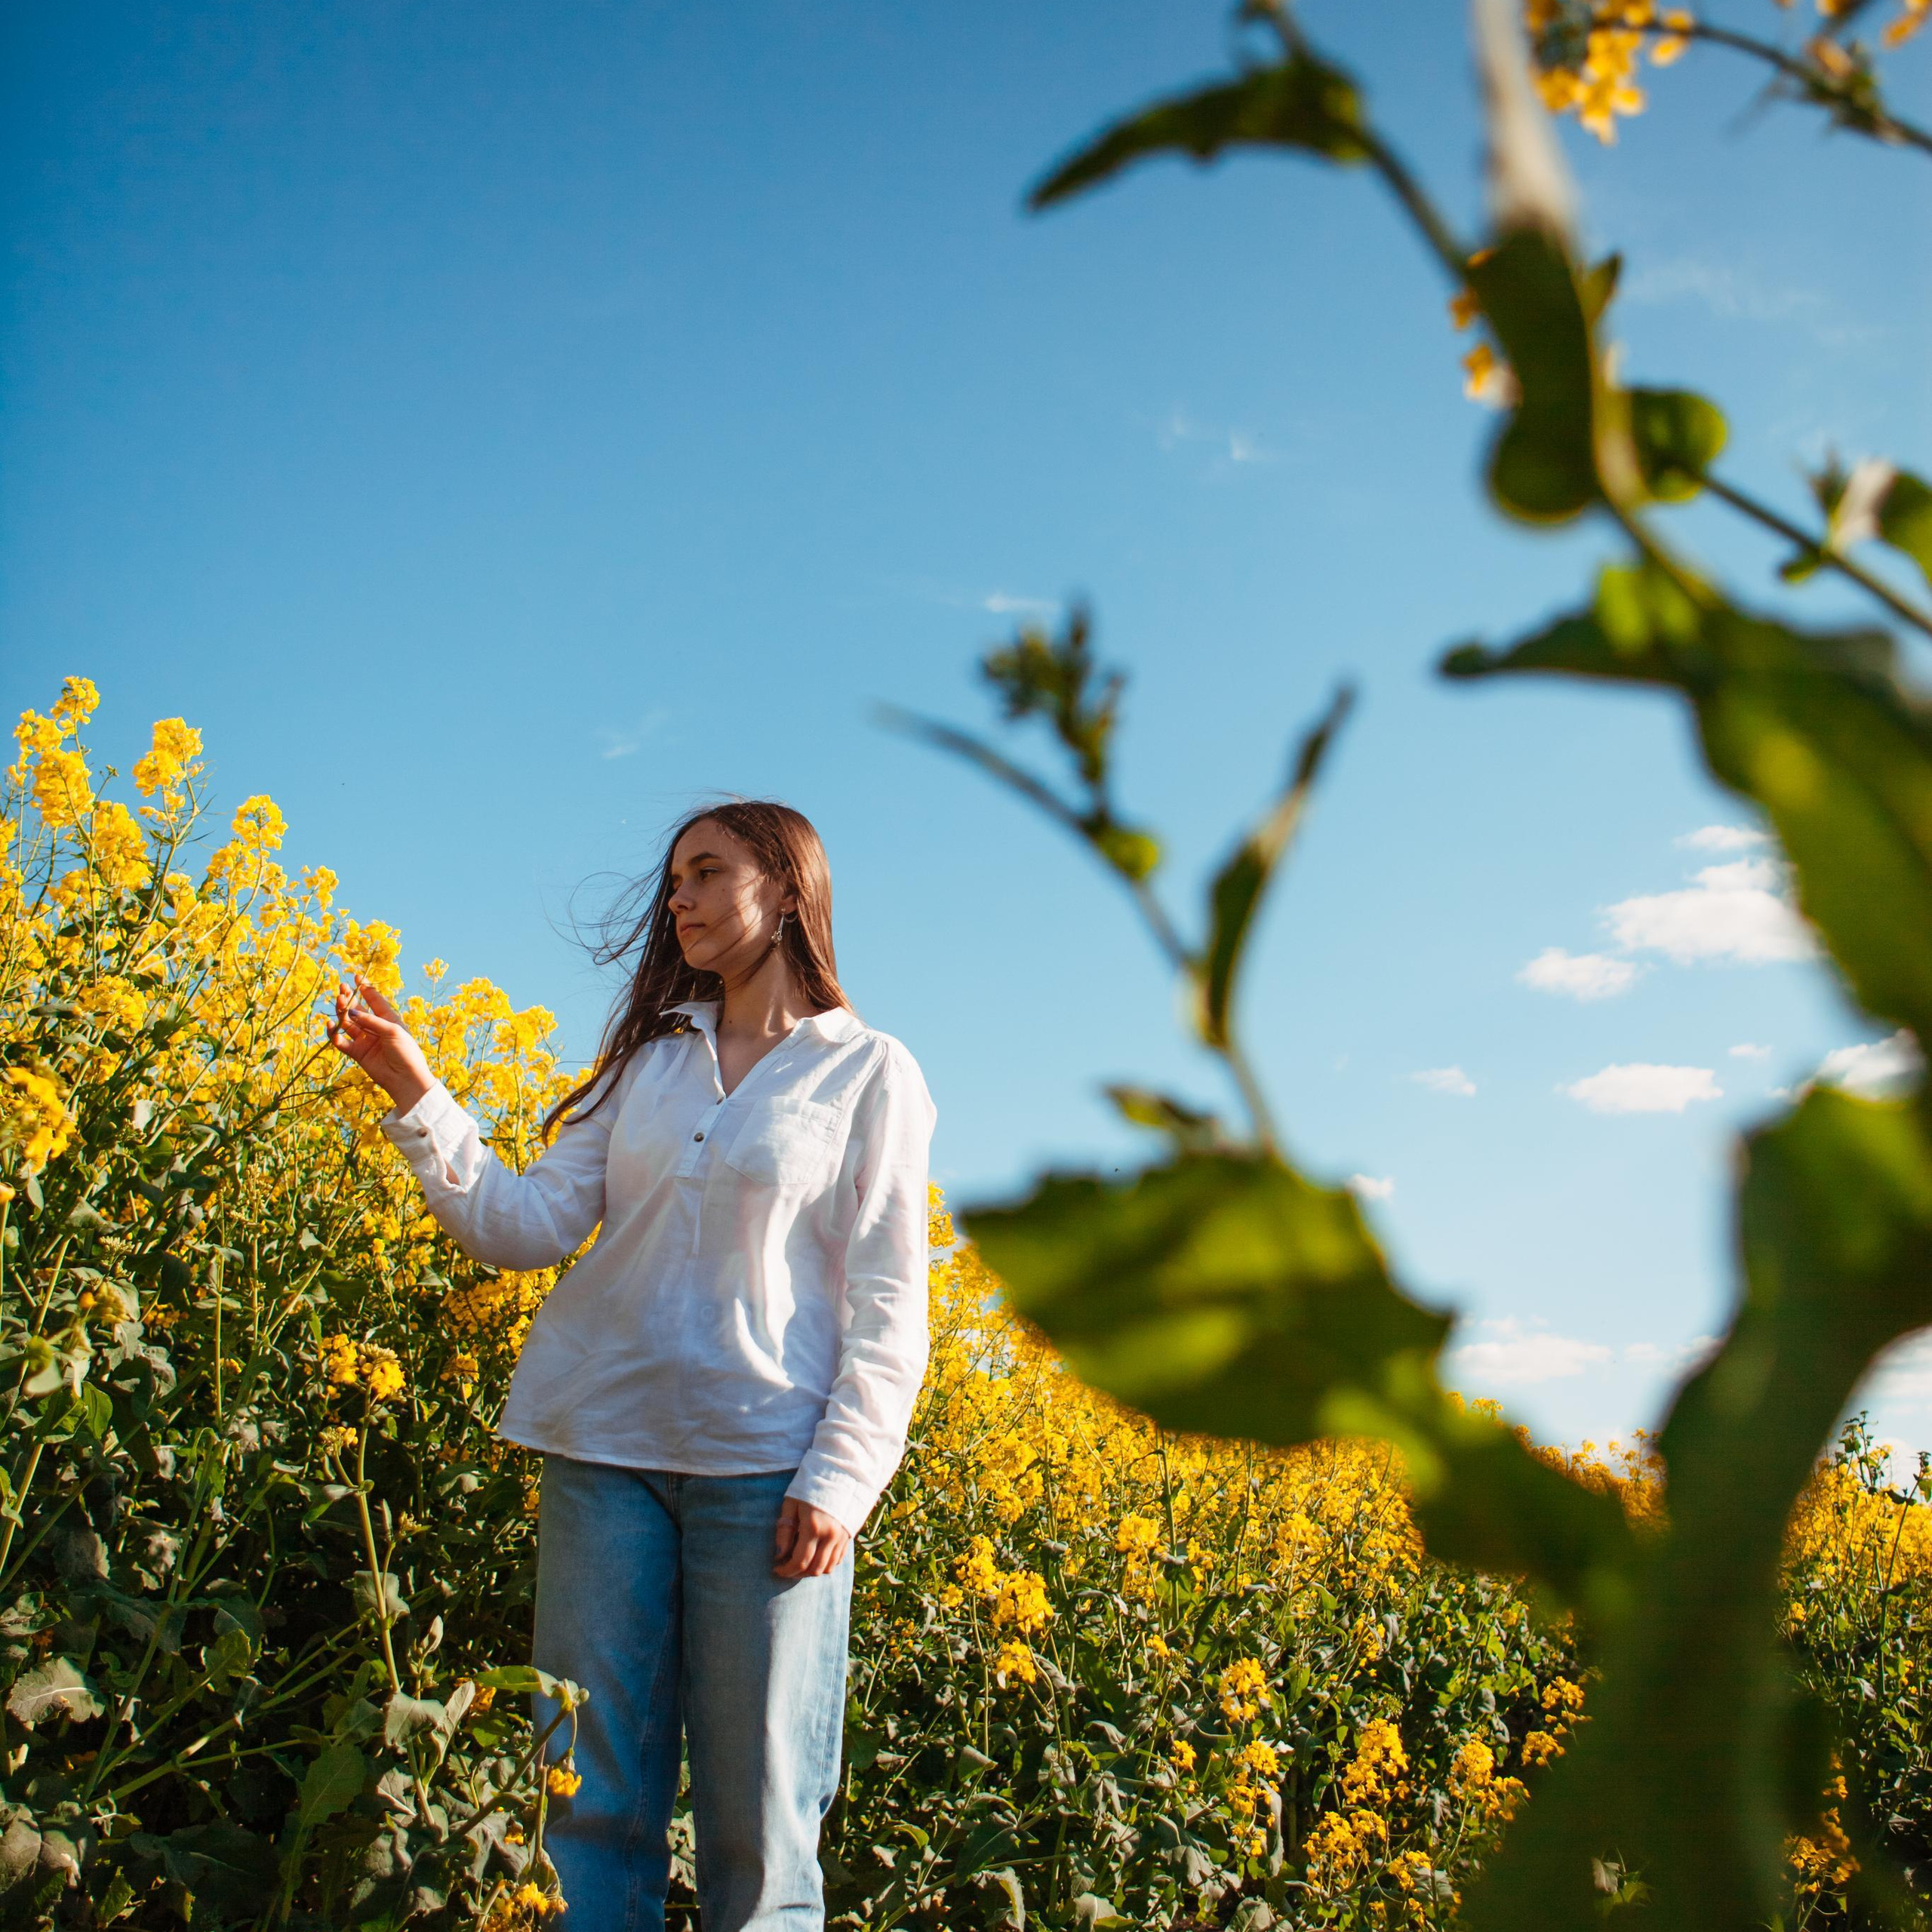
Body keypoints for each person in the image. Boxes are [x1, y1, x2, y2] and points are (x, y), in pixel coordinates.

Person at [328, 800, 936, 1932]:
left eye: (708, 872)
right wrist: (415, 1089)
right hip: (602, 1457)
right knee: (584, 1804)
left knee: (763, 1826)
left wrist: (842, 1478)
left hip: (770, 1479)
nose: (681, 899)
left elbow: (893, 1300)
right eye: (675, 881)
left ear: (790, 889)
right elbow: (523, 1226)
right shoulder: (646, 1066)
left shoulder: (871, 1075)